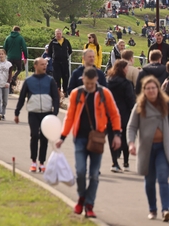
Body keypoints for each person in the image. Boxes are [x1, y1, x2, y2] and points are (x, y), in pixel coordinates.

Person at [56, 68, 122, 219]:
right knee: (80, 171)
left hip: (97, 138)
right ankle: (81, 198)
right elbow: (70, 117)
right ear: (83, 80)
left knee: (94, 175)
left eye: (92, 83)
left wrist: (117, 134)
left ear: (96, 81)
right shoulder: (76, 94)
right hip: (79, 138)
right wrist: (62, 137)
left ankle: (89, 205)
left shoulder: (105, 94)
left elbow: (114, 114)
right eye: (87, 83)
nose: (90, 86)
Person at [128, 76, 169, 221]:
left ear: (158, 89)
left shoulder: (165, 104)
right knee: (150, 181)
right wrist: (131, 143)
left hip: (163, 149)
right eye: (148, 88)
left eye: (153, 88)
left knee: (163, 178)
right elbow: (131, 127)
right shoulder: (139, 107)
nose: (151, 91)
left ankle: (166, 209)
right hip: (147, 149)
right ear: (144, 91)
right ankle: (153, 209)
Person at [14, 57, 60, 173]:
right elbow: (22, 97)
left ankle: (42, 163)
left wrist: (55, 113)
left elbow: (56, 98)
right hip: (33, 113)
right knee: (34, 135)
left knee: (44, 138)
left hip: (47, 113)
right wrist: (17, 112)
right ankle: (33, 161)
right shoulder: (29, 81)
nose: (44, 66)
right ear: (35, 66)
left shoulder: (50, 80)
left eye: (45, 64)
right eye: (42, 64)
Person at [106, 60, 136, 173]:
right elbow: (130, 100)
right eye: (127, 68)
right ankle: (126, 163)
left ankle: (114, 162)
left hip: (110, 113)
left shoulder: (108, 82)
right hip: (124, 114)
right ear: (123, 69)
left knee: (112, 137)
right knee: (124, 138)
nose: (128, 69)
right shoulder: (126, 83)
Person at [48, 28, 73, 94]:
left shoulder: (66, 41)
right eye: (57, 34)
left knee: (66, 77)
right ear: (55, 34)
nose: (58, 35)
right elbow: (49, 52)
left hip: (64, 62)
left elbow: (70, 50)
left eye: (59, 34)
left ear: (62, 34)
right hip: (56, 63)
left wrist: (66, 56)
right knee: (57, 77)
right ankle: (58, 91)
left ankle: (65, 91)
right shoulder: (53, 42)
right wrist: (54, 57)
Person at [3, 26, 28, 92]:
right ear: (19, 31)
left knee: (9, 72)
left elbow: (4, 47)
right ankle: (13, 78)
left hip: (9, 57)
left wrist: (4, 56)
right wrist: (25, 57)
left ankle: (9, 89)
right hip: (17, 57)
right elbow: (24, 48)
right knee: (19, 69)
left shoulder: (8, 37)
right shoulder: (20, 38)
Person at [0, 49, 13, 121]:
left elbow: (10, 74)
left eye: (2, 54)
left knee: (5, 101)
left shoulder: (9, 64)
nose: (1, 55)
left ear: (5, 55)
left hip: (5, 84)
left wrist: (8, 82)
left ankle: (3, 114)